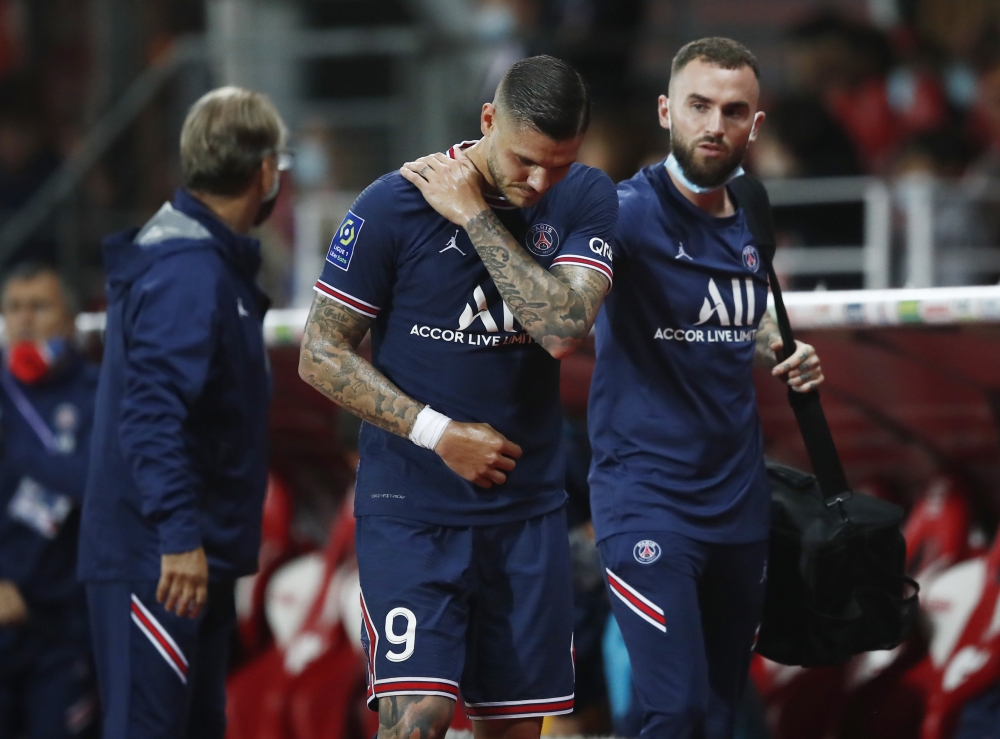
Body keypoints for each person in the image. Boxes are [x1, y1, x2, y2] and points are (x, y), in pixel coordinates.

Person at [298, 55, 616, 739]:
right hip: (411, 508)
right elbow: (318, 353)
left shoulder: (585, 195)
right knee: (420, 720)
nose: (539, 182)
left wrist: (476, 216)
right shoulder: (392, 203)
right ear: (488, 120)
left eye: (558, 164)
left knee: (513, 730)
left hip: (528, 512)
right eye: (527, 160)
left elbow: (561, 329)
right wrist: (438, 432)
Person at [587, 38, 826, 738]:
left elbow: (739, 315)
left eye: (733, 110)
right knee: (675, 709)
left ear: (756, 123)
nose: (714, 124)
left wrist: (784, 347)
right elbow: (561, 308)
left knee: (721, 715)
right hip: (646, 502)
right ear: (667, 111)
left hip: (739, 504)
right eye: (698, 106)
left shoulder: (753, 208)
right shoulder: (623, 212)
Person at [77, 87, 287, 739]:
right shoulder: (189, 272)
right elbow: (151, 414)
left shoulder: (199, 261)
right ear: (263, 173)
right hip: (163, 560)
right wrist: (177, 536)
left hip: (183, 554)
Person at [0, 263, 98, 738]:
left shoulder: (97, 393)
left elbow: (96, 483)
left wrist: (21, 455)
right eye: (14, 307)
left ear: (70, 320)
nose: (24, 320)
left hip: (65, 623)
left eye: (39, 307)